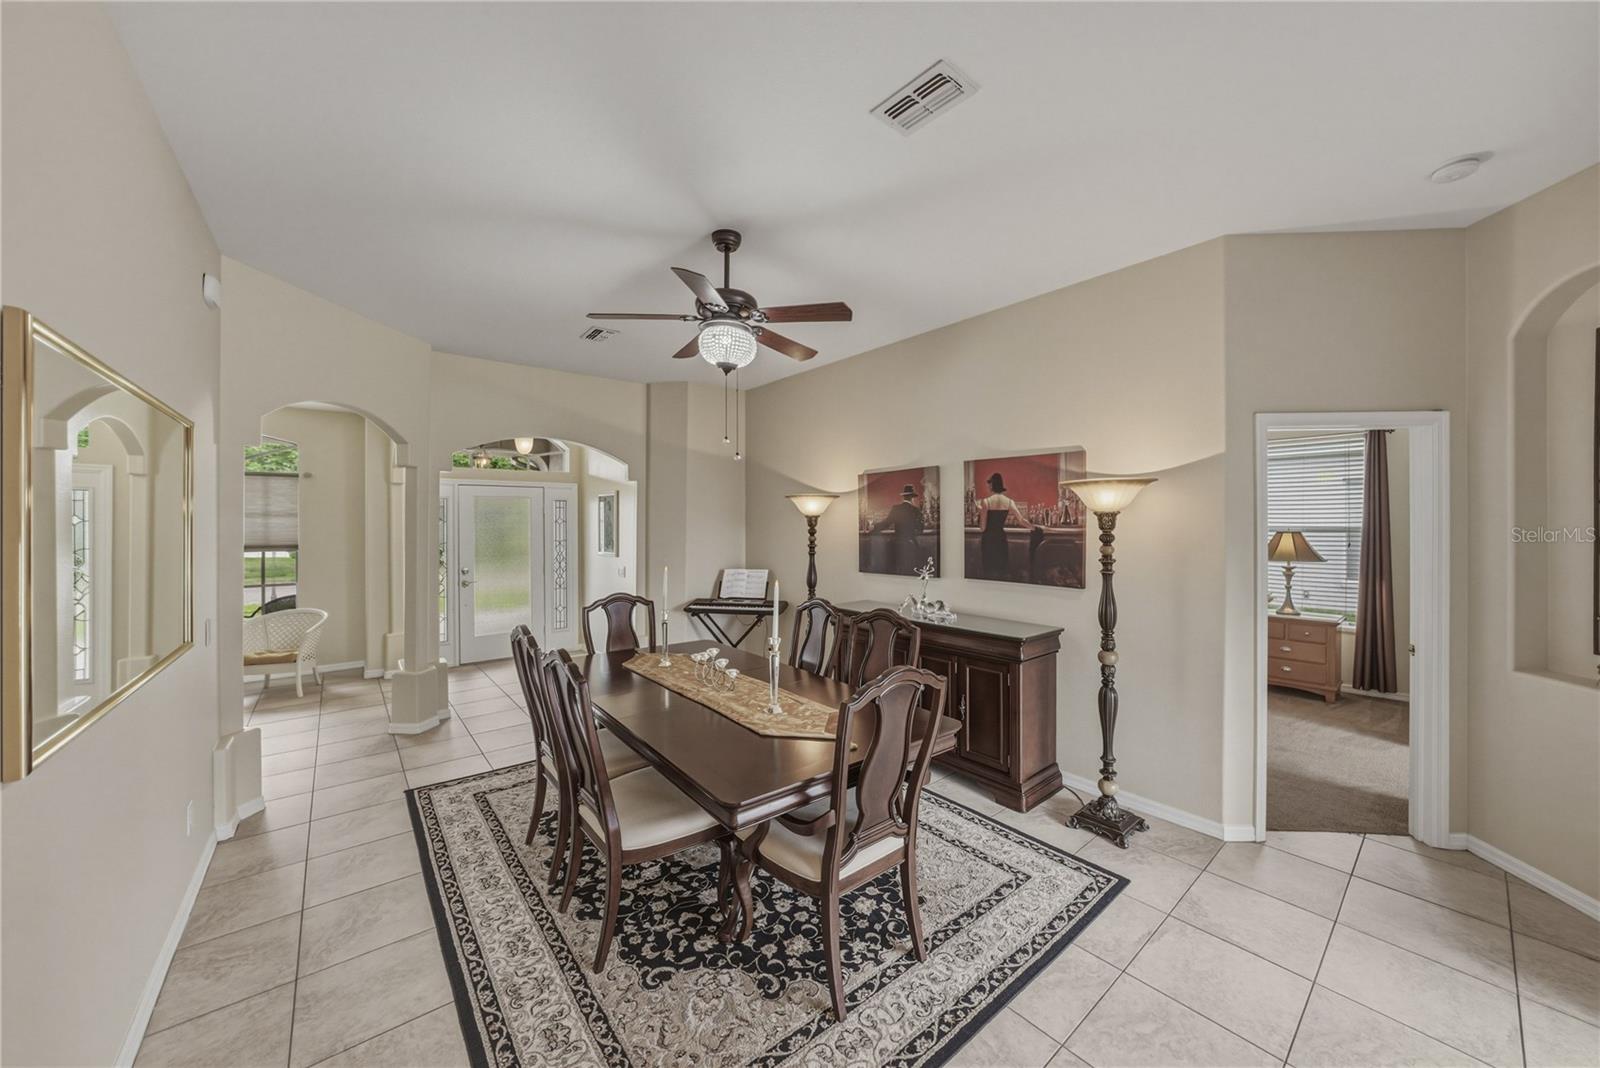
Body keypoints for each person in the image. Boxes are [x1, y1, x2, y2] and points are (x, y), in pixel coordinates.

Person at [977, 473, 1031, 580]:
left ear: (992, 485)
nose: (988, 486)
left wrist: (980, 511)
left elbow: (982, 528)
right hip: (1001, 539)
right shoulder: (1009, 502)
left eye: (989, 484)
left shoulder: (986, 502)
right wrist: (1034, 527)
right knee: (1001, 573)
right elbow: (1021, 520)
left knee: (989, 573)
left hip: (988, 540)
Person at [873, 484, 925, 574]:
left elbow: (886, 523)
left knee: (895, 569)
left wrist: (875, 528)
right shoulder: (916, 510)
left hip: (897, 544)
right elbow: (920, 529)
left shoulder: (896, 509)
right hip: (911, 544)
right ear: (912, 498)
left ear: (904, 496)